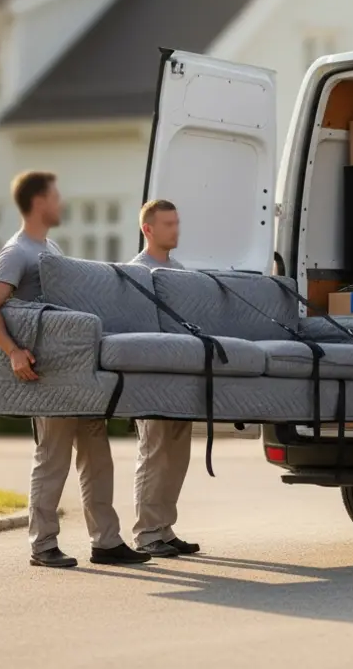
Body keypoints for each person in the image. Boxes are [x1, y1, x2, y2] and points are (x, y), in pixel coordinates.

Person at [0, 171, 151, 569]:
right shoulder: (16, 252)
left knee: (97, 457)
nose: (62, 203)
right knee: (52, 459)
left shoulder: (49, 247)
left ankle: (106, 541)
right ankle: (42, 545)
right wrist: (13, 352)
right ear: (39, 202)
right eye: (56, 197)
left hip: (75, 371)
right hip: (47, 376)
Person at [128, 199, 200, 557]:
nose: (176, 230)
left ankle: (165, 529)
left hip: (180, 376)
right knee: (154, 453)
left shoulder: (180, 272)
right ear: (148, 229)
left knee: (177, 455)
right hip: (151, 378)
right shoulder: (134, 272)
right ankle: (146, 534)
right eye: (168, 224)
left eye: (176, 223)